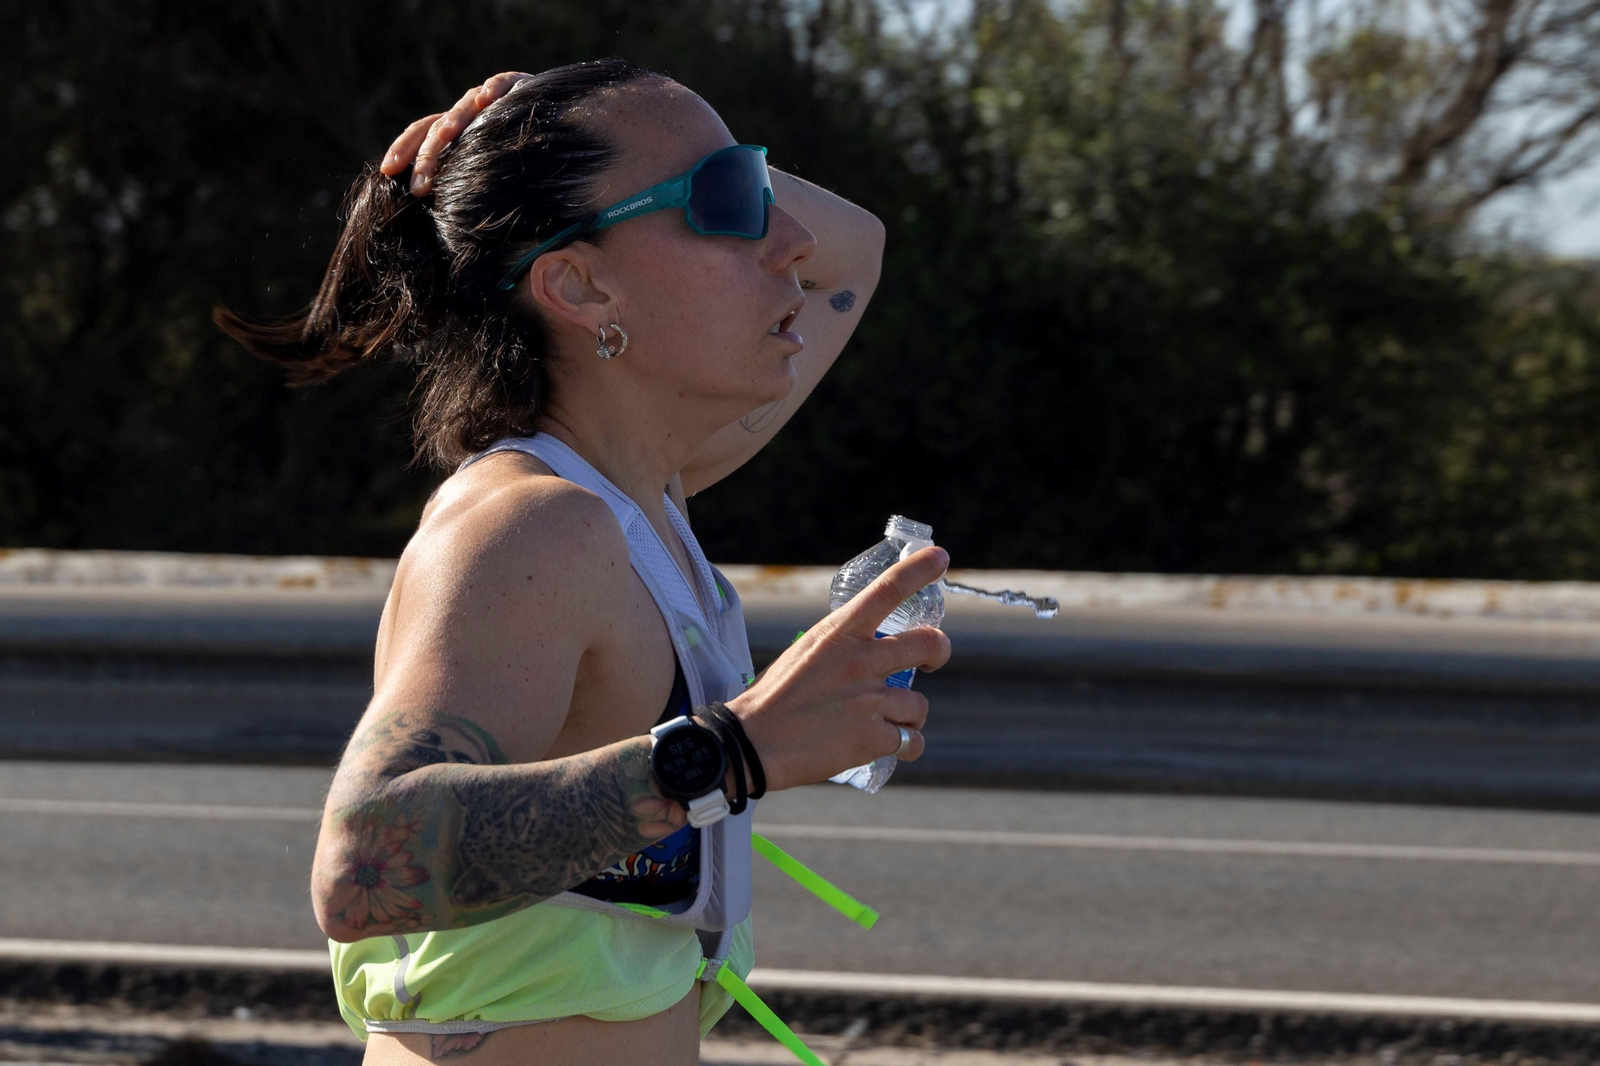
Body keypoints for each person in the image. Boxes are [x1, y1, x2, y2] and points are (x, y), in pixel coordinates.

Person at [213, 59, 951, 1065]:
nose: (791, 241)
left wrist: (557, 105)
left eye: (759, 183)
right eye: (730, 201)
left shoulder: (649, 488)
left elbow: (852, 248)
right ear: (578, 281)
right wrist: (732, 750)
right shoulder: (535, 528)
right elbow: (362, 864)